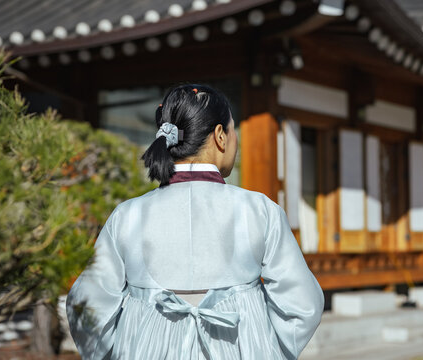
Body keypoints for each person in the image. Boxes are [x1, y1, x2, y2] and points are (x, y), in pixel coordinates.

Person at [66, 84, 324, 360]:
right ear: (220, 136)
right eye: (233, 129)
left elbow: (88, 304)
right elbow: (302, 303)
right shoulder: (259, 210)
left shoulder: (128, 215)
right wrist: (268, 345)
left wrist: (119, 349)